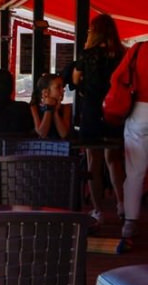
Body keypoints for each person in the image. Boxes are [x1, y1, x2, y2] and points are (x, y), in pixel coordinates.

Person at [73, 14, 128, 226]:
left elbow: (76, 80)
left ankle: (97, 210)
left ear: (94, 32)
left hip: (92, 112)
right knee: (114, 160)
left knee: (93, 162)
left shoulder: (88, 55)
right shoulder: (121, 54)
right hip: (114, 112)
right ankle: (122, 204)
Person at [121, 38, 148, 238]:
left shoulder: (138, 49)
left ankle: (130, 222)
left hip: (140, 111)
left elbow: (118, 78)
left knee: (135, 170)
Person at [29, 73, 72, 140]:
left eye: (63, 87)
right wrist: (48, 108)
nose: (63, 90)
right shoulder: (34, 107)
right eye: (58, 87)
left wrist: (55, 111)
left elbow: (63, 134)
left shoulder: (66, 108)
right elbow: (42, 133)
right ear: (46, 92)